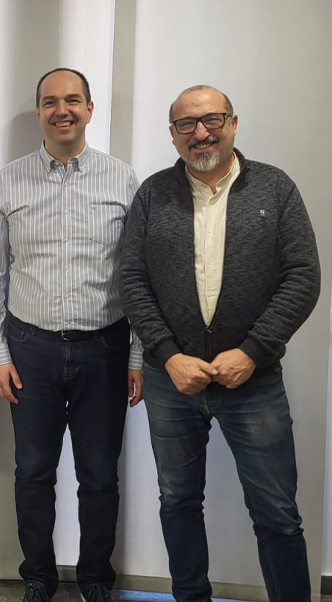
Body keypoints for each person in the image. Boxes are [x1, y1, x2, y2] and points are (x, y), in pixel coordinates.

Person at [121, 85, 319, 602]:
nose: (200, 132)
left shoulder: (275, 189)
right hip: (172, 382)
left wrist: (252, 351)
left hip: (254, 382)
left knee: (277, 513)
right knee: (178, 503)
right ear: (173, 134)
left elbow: (303, 277)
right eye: (186, 124)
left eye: (211, 119)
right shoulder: (153, 195)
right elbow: (132, 280)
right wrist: (168, 355)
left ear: (233, 123)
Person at [0, 68, 142, 602]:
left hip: (105, 349)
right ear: (39, 111)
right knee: (33, 473)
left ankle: (95, 579)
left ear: (90, 109)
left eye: (72, 100)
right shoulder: (9, 180)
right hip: (31, 350)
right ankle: (39, 578)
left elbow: (140, 275)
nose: (61, 110)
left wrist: (137, 355)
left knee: (100, 476)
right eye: (50, 101)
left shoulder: (124, 179)